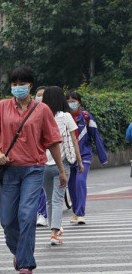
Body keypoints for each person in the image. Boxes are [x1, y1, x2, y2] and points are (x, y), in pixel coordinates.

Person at [0, 66, 66, 274]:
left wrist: (60, 170)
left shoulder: (42, 111)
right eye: (14, 84)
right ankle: (20, 252)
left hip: (33, 169)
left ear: (30, 85)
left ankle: (26, 263)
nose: (18, 88)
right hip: (9, 170)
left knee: (27, 215)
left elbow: (53, 142)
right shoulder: (1, 107)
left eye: (22, 84)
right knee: (7, 220)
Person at [40, 87, 81, 246]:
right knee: (57, 200)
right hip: (61, 164)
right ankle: (54, 233)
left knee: (50, 200)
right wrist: (79, 161)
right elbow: (74, 141)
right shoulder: (66, 117)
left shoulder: (40, 116)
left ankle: (54, 229)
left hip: (43, 164)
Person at [67, 92, 108, 225]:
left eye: (73, 100)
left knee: (80, 181)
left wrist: (103, 157)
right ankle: (75, 211)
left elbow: (96, 136)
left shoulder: (86, 117)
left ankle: (80, 214)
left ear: (79, 102)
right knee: (71, 185)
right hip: (69, 156)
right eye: (68, 100)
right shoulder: (63, 117)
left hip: (84, 154)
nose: (70, 103)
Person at [33, 87, 49, 226]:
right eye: (38, 95)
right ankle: (42, 213)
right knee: (39, 188)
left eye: (43, 95)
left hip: (51, 155)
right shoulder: (30, 112)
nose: (40, 98)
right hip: (36, 157)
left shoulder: (55, 113)